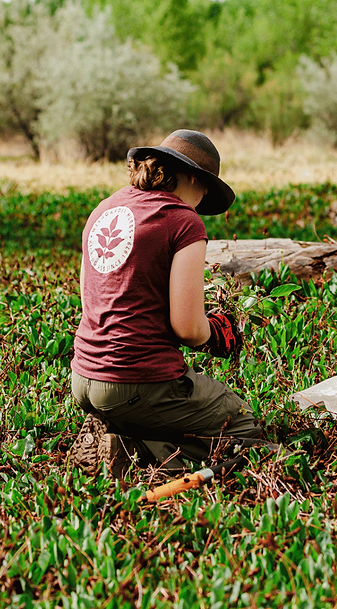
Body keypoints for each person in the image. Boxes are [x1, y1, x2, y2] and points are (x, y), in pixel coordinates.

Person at [69, 129, 261, 477]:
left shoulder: (104, 208)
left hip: (82, 377)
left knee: (163, 410)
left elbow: (89, 301)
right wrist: (217, 332)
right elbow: (187, 329)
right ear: (193, 177)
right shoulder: (183, 221)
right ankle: (134, 446)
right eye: (206, 187)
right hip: (136, 381)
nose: (203, 198)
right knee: (246, 430)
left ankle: (119, 428)